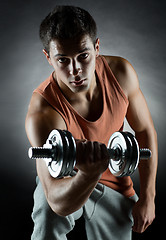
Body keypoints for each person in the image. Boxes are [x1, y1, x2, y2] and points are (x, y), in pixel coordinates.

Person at [25, 5, 158, 240]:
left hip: (115, 185)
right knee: (47, 213)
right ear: (48, 58)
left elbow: (144, 130)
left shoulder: (120, 74)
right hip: (67, 183)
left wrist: (148, 196)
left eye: (83, 56)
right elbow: (56, 199)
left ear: (96, 47)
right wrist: (87, 174)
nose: (75, 70)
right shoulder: (44, 111)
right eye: (63, 60)